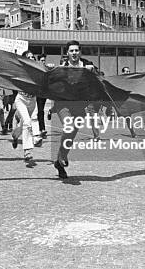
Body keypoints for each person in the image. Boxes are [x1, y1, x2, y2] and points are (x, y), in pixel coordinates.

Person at [52, 40, 96, 179]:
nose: (74, 53)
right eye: (71, 51)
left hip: (79, 106)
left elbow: (98, 80)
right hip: (63, 104)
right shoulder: (62, 67)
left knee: (70, 137)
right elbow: (50, 80)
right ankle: (62, 158)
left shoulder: (87, 65)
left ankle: (60, 160)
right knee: (69, 127)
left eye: (76, 50)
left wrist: (93, 71)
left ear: (80, 51)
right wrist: (50, 69)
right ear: (67, 53)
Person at [11, 50, 42, 165]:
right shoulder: (20, 70)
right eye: (29, 57)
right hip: (21, 100)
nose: (32, 58)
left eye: (33, 56)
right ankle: (30, 146)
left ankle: (16, 137)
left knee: (29, 122)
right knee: (27, 122)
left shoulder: (38, 70)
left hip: (32, 100)